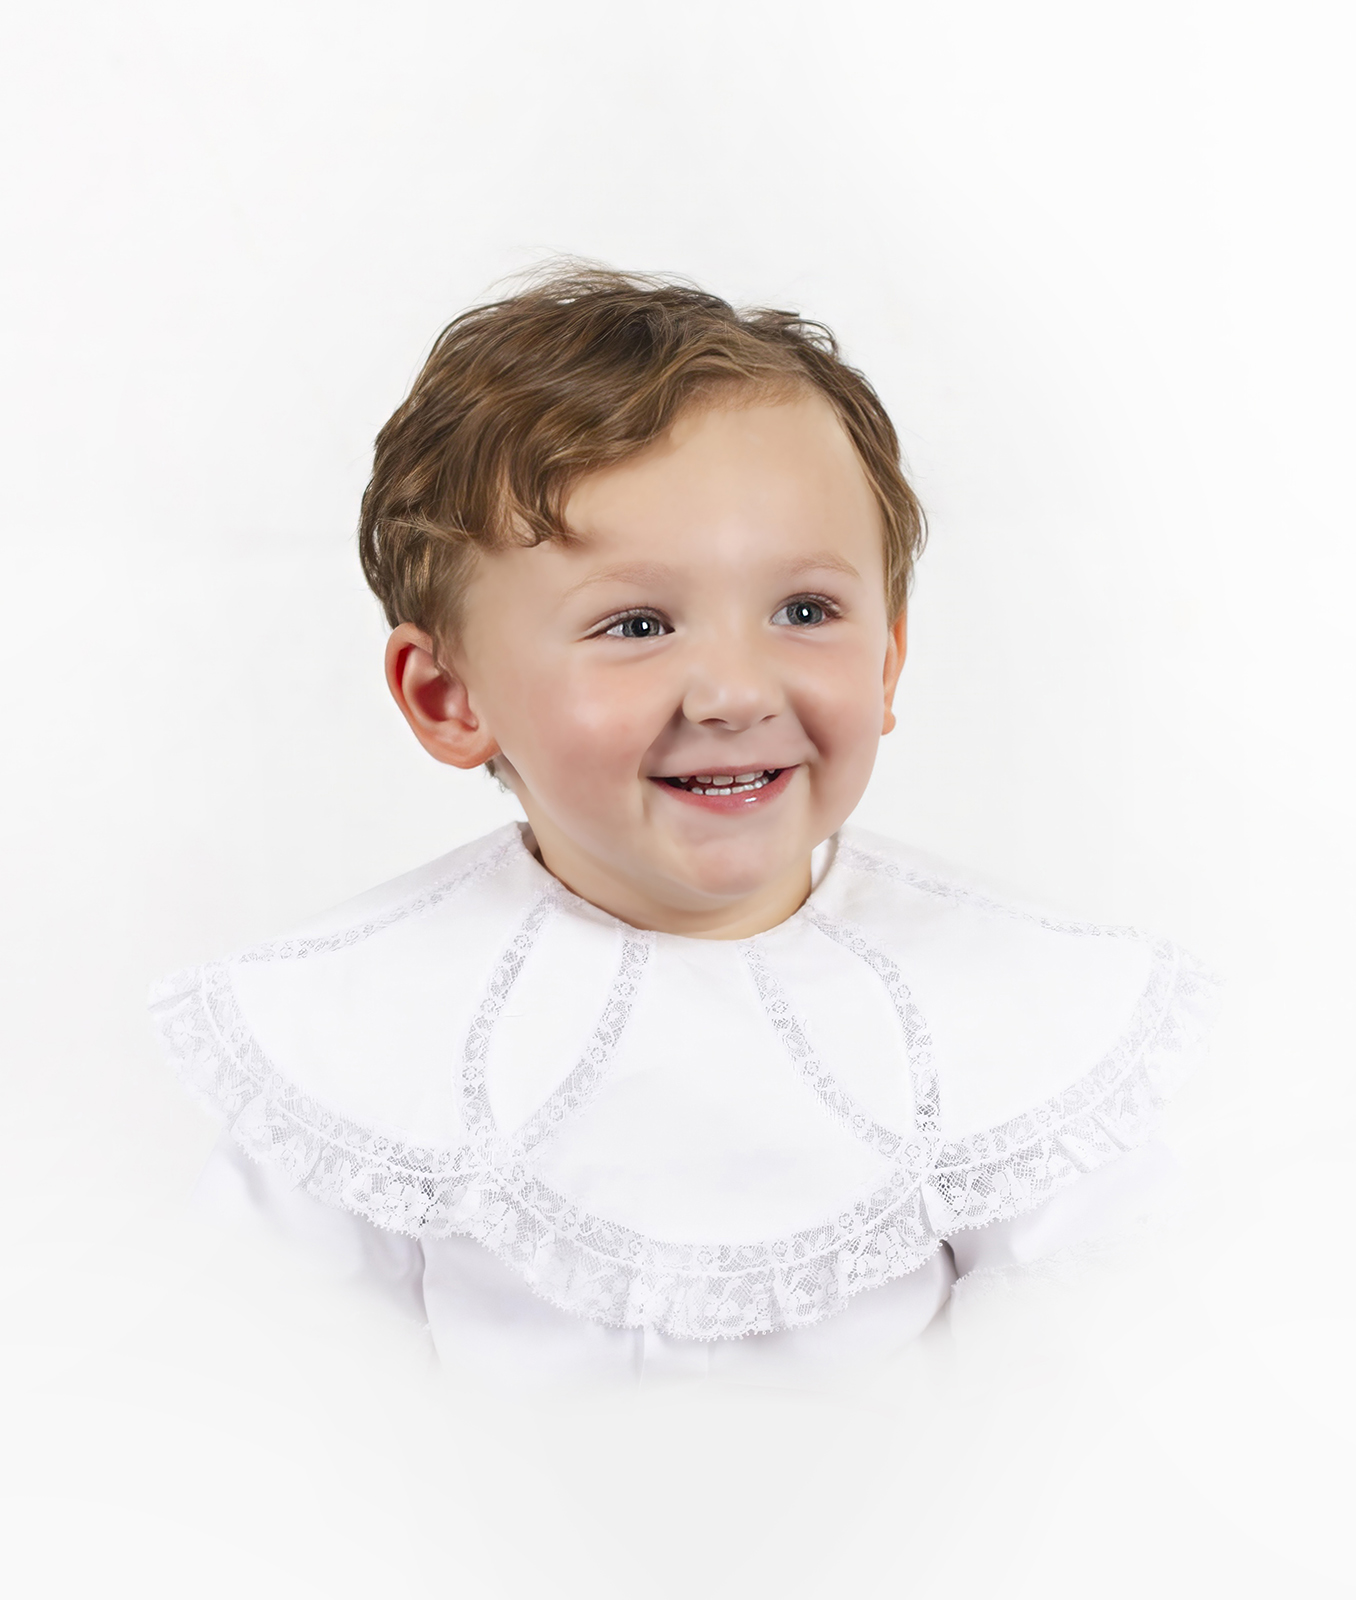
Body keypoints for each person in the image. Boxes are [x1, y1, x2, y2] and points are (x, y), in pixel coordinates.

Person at [149, 267, 1217, 1383]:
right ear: (448, 697)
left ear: (888, 660)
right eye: (637, 622)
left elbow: (1107, 1405)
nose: (733, 692)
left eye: (806, 611)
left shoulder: (1006, 1019)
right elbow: (254, 1405)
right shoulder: (368, 1036)